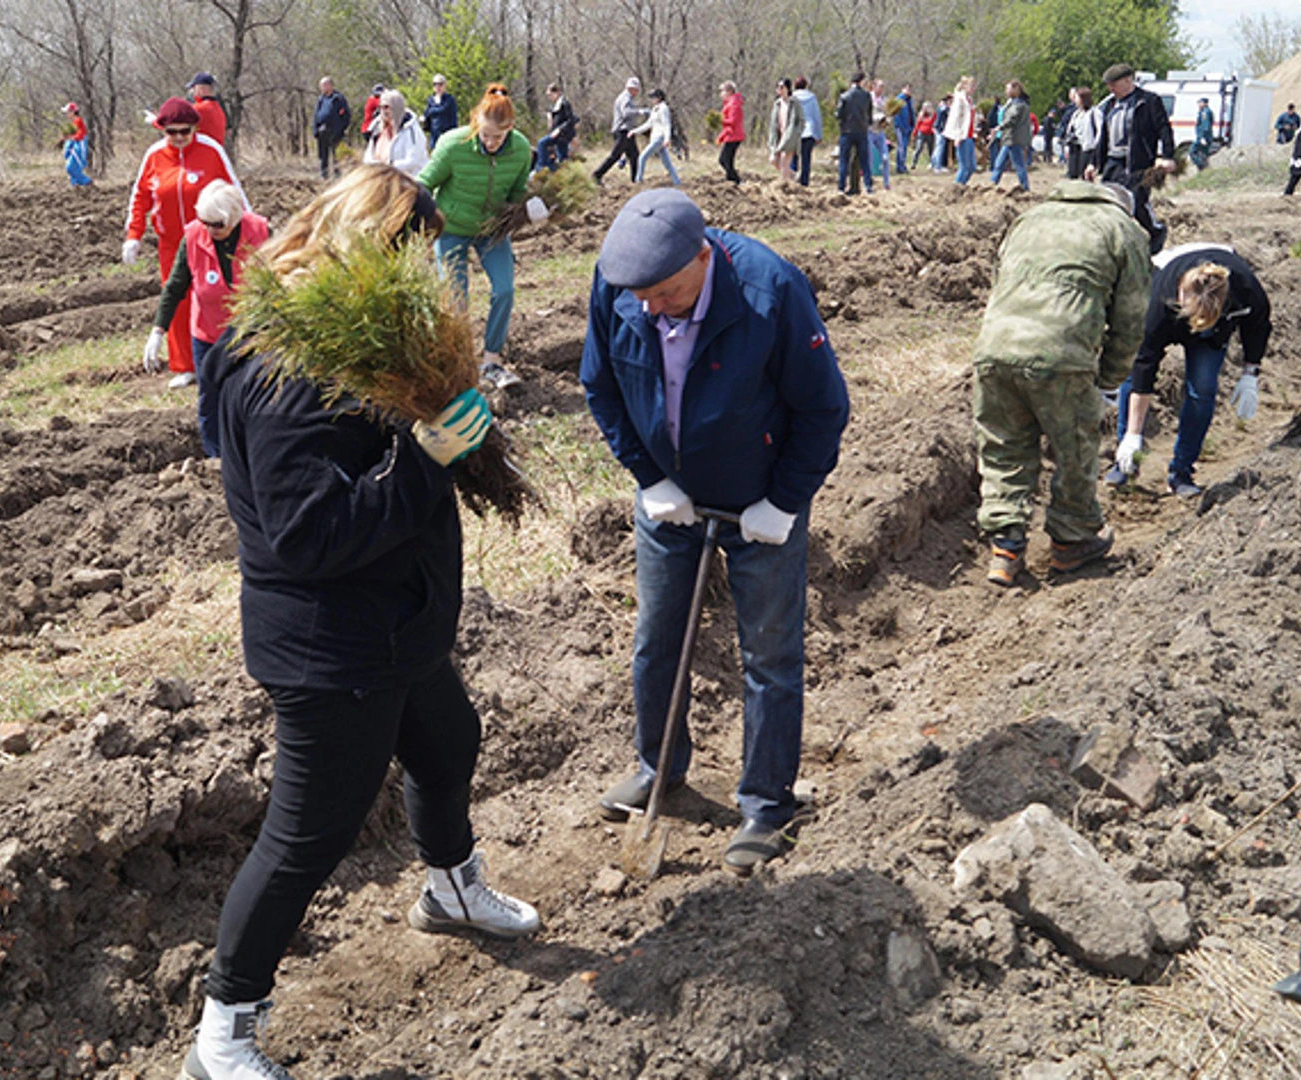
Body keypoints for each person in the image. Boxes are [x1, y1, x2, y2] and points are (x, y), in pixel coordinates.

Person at [183, 165, 541, 1080]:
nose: (418, 280)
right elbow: (309, 533)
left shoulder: (345, 341)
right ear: (360, 246)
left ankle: (451, 889)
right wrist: (424, 457)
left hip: (396, 622)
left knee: (449, 739)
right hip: (330, 642)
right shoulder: (284, 367)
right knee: (310, 833)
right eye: (406, 258)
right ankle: (224, 1033)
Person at [580, 189, 850, 875]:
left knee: (768, 653)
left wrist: (784, 502)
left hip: (759, 502)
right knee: (656, 640)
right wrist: (649, 479)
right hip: (670, 501)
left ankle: (766, 803)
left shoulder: (768, 290)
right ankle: (657, 769)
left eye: (666, 294)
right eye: (640, 295)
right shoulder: (623, 285)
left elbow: (823, 407)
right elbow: (601, 387)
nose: (649, 307)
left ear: (702, 258)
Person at [972, 181, 1150, 587]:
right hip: (1062, 355)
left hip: (995, 347)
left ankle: (1005, 550)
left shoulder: (1029, 218)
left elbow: (1000, 279)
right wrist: (1108, 379)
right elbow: (1131, 318)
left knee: (1003, 447)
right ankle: (1072, 544)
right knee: (1075, 450)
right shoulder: (1123, 230)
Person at [1106, 244, 1271, 497]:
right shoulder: (1158, 302)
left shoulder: (1245, 289)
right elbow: (1143, 367)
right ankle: (1126, 459)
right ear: (1181, 296)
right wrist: (1132, 434)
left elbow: (1258, 326)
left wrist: (1250, 374)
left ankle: (1181, 471)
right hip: (1167, 307)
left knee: (1202, 388)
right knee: (1133, 377)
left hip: (1214, 333)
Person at [418, 84, 543, 390]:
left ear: (509, 128)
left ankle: (491, 361)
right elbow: (423, 183)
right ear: (475, 122)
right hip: (452, 228)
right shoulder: (452, 145)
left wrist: (531, 208)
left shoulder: (520, 150)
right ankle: (459, 364)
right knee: (456, 300)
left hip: (491, 231)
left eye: (497, 137)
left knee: (504, 290)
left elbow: (516, 195)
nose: (489, 142)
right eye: (484, 135)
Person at [124, 96, 246, 388]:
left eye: (185, 131)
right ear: (162, 130)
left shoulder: (211, 151)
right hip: (170, 241)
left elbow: (235, 192)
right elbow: (140, 197)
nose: (179, 138)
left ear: (195, 129)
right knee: (176, 297)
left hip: (209, 239)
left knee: (211, 296)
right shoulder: (154, 156)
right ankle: (185, 365)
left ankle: (225, 357)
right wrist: (133, 235)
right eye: (172, 132)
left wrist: (250, 232)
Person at [145, 180, 269, 458]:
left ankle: (257, 453)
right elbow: (175, 286)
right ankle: (216, 457)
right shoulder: (192, 237)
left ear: (235, 218)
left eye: (217, 225)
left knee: (253, 396)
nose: (209, 230)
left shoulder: (260, 233)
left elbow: (282, 281)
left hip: (252, 334)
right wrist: (158, 330)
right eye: (205, 222)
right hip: (208, 335)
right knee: (210, 400)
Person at [1087, 63, 1176, 254]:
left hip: (1137, 161)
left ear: (1128, 80)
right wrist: (1093, 163)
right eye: (1108, 85)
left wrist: (1168, 156)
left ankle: (1156, 231)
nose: (1111, 89)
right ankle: (1113, 242)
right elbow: (1103, 136)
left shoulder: (1148, 101)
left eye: (1114, 84)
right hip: (1113, 161)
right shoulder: (1110, 105)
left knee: (1136, 202)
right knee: (1107, 200)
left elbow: (1164, 129)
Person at [592, 77, 647, 185]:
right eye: (635, 89)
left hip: (628, 131)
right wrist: (640, 112)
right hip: (623, 131)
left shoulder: (628, 98)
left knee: (634, 155)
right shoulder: (625, 98)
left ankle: (635, 179)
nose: (636, 92)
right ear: (630, 88)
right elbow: (626, 112)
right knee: (615, 156)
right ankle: (596, 175)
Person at [363, 88, 427, 176]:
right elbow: (368, 156)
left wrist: (389, 165)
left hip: (410, 182)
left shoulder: (412, 130)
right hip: (384, 178)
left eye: (386, 107)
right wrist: (375, 165)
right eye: (380, 107)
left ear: (396, 107)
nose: (383, 111)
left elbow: (412, 161)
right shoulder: (377, 129)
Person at [988, 80, 1031, 191]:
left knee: (1018, 165)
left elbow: (1012, 119)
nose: (1006, 91)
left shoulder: (1019, 105)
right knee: (999, 163)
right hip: (1009, 138)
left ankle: (1025, 188)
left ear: (1016, 89)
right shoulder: (1014, 103)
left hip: (1014, 138)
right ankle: (992, 183)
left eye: (1008, 88)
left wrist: (999, 128)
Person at [631, 87, 680, 185]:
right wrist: (634, 131)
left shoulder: (663, 108)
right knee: (667, 164)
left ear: (659, 97)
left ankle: (638, 181)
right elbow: (648, 124)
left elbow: (666, 124)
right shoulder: (655, 109)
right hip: (656, 138)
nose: (652, 99)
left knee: (642, 157)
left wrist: (667, 139)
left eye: (653, 97)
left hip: (659, 138)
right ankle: (677, 182)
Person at [836, 73, 872, 196]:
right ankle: (868, 186)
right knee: (864, 161)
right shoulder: (866, 96)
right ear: (861, 81)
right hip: (862, 131)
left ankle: (841, 187)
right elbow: (869, 115)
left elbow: (838, 114)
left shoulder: (844, 96)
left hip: (847, 131)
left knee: (844, 161)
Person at [313, 77, 351, 179]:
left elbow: (346, 116)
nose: (322, 88)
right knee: (323, 154)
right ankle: (323, 174)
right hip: (322, 130)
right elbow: (316, 115)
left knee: (336, 155)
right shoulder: (321, 99)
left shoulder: (338, 98)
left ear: (331, 85)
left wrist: (340, 129)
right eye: (321, 86)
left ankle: (337, 175)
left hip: (335, 131)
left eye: (325, 85)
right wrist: (315, 129)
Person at [535, 81, 578, 172]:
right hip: (558, 135)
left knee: (542, 143)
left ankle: (542, 168)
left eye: (550, 95)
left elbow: (571, 120)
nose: (549, 97)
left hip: (563, 135)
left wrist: (559, 130)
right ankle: (558, 172)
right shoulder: (554, 105)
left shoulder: (565, 103)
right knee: (562, 158)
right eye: (548, 96)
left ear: (557, 92)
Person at [771, 78, 803, 182]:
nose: (779, 90)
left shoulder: (794, 103)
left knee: (784, 161)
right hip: (779, 136)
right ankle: (792, 175)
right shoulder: (777, 104)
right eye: (778, 87)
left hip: (790, 136)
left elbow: (801, 120)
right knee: (774, 161)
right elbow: (774, 123)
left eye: (782, 87)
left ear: (787, 88)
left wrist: (796, 133)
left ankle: (783, 185)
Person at [1065, 87, 1100, 180]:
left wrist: (1096, 147)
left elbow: (1099, 131)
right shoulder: (1076, 114)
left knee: (1085, 176)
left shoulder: (1094, 113)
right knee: (1073, 175)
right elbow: (1071, 129)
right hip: (1075, 148)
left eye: (1076, 97)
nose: (1075, 100)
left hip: (1088, 148)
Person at [792, 76, 822, 186]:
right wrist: (818, 135)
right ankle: (804, 183)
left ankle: (792, 181)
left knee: (793, 157)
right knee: (806, 160)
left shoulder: (792, 98)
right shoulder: (812, 98)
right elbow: (816, 117)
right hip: (809, 131)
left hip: (795, 132)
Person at [948, 77, 977, 185]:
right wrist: (957, 136)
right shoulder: (960, 99)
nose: (973, 88)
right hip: (962, 136)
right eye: (971, 86)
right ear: (965, 86)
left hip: (969, 135)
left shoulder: (969, 100)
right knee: (964, 166)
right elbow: (956, 118)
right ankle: (956, 186)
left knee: (972, 166)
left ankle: (962, 185)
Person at [188, 73, 229, 148]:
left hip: (200, 155)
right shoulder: (219, 110)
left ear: (201, 90)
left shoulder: (198, 109)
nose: (192, 92)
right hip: (216, 155)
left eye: (193, 88)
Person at [716, 80, 745, 183]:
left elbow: (732, 121)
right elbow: (727, 126)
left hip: (735, 136)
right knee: (726, 161)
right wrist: (721, 136)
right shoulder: (729, 103)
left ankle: (736, 181)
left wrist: (720, 120)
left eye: (722, 91)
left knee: (724, 160)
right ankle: (732, 181)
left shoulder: (734, 103)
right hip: (730, 135)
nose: (721, 94)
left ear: (729, 91)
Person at [60, 102, 94, 188]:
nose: (66, 114)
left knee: (71, 167)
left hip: (79, 147)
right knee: (71, 169)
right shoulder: (74, 122)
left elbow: (81, 135)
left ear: (73, 112)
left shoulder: (78, 121)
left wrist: (71, 138)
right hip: (74, 146)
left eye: (67, 112)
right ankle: (75, 186)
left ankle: (86, 181)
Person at [423, 74, 459, 150]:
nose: (438, 87)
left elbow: (444, 110)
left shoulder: (449, 99)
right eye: (435, 84)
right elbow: (426, 114)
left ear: (444, 85)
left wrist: (432, 111)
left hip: (447, 133)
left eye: (440, 84)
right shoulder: (430, 100)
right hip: (434, 134)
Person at [894, 85, 915, 173]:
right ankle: (900, 166)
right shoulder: (899, 100)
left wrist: (912, 125)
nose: (908, 91)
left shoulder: (909, 100)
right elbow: (897, 115)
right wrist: (901, 127)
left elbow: (911, 113)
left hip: (908, 127)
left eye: (910, 89)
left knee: (905, 147)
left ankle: (902, 165)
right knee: (901, 147)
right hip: (901, 127)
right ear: (902, 89)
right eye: (906, 89)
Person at [1191, 97, 1214, 170]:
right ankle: (1203, 167)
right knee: (1203, 153)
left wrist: (1203, 137)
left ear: (1205, 103)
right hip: (1202, 136)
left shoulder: (1205, 112)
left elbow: (1205, 125)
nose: (1199, 104)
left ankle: (1202, 165)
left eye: (1200, 103)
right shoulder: (1203, 111)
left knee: (1192, 151)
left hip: (1203, 136)